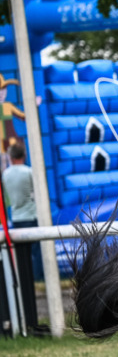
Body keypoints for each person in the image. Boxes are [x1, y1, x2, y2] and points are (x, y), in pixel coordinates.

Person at [2, 142, 42, 332]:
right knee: (36, 253)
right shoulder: (29, 172)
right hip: (31, 216)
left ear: (10, 157)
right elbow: (37, 194)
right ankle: (38, 278)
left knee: (22, 259)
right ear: (23, 156)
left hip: (16, 219)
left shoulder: (5, 175)